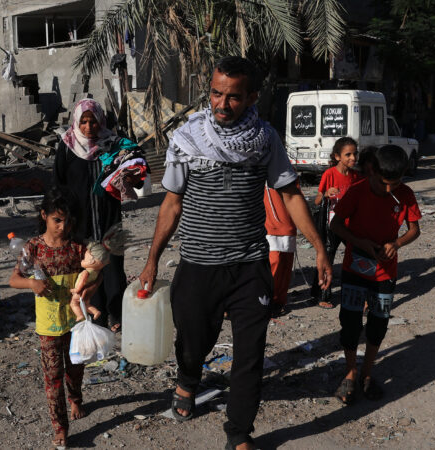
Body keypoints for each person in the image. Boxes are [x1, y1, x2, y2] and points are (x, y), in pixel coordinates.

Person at [138, 56, 332, 450]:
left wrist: (320, 248)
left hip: (249, 266)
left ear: (252, 97)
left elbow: (290, 194)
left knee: (250, 355)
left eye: (233, 97)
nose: (222, 104)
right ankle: (188, 380)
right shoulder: (187, 139)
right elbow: (172, 203)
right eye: (216, 93)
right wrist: (152, 258)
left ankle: (239, 433)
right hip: (198, 264)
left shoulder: (265, 139)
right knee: (193, 342)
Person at [329, 145, 421, 404]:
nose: (390, 190)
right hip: (354, 271)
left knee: (378, 325)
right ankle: (350, 373)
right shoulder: (357, 192)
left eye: (396, 183)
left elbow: (414, 230)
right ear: (372, 171)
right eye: (384, 184)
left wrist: (397, 244)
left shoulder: (405, 194)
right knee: (350, 323)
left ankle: (367, 374)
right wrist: (359, 242)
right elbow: (335, 224)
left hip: (385, 273)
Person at [8, 187, 96, 448]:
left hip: (75, 322)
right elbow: (14, 280)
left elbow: (95, 275)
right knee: (53, 376)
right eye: (57, 220)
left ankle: (76, 399)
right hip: (48, 326)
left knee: (76, 369)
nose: (63, 226)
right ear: (44, 215)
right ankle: (60, 427)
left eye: (68, 221)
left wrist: (87, 290)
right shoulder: (33, 248)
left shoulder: (78, 247)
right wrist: (32, 285)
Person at [54, 99, 144, 332]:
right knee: (87, 272)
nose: (88, 127)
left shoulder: (113, 144)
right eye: (83, 122)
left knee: (113, 267)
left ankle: (117, 316)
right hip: (79, 222)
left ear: (100, 120)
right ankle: (95, 317)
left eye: (92, 121)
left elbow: (135, 174)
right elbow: (58, 184)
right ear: (76, 122)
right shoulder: (67, 147)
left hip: (109, 218)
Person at [311, 137, 362, 308]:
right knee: (328, 256)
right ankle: (322, 295)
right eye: (348, 154)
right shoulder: (329, 174)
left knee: (356, 256)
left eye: (355, 154)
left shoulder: (356, 177)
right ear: (337, 156)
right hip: (332, 224)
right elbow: (317, 200)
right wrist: (325, 193)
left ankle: (357, 292)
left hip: (351, 225)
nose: (353, 158)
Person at [263, 181, 299, 317]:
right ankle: (267, 302)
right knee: (274, 265)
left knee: (285, 267)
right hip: (269, 227)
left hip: (289, 226)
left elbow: (296, 198)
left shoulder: (289, 171)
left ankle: (278, 302)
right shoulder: (259, 166)